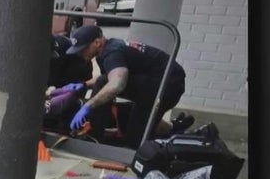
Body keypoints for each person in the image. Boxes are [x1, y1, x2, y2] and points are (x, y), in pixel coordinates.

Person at [66, 24, 194, 147]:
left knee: (136, 141)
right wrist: (83, 85)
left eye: (83, 49)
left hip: (167, 86)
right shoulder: (109, 48)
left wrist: (88, 105)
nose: (80, 53)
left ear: (97, 42)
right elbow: (111, 76)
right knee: (139, 125)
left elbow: (116, 84)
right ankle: (175, 129)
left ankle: (94, 135)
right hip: (158, 83)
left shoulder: (112, 53)